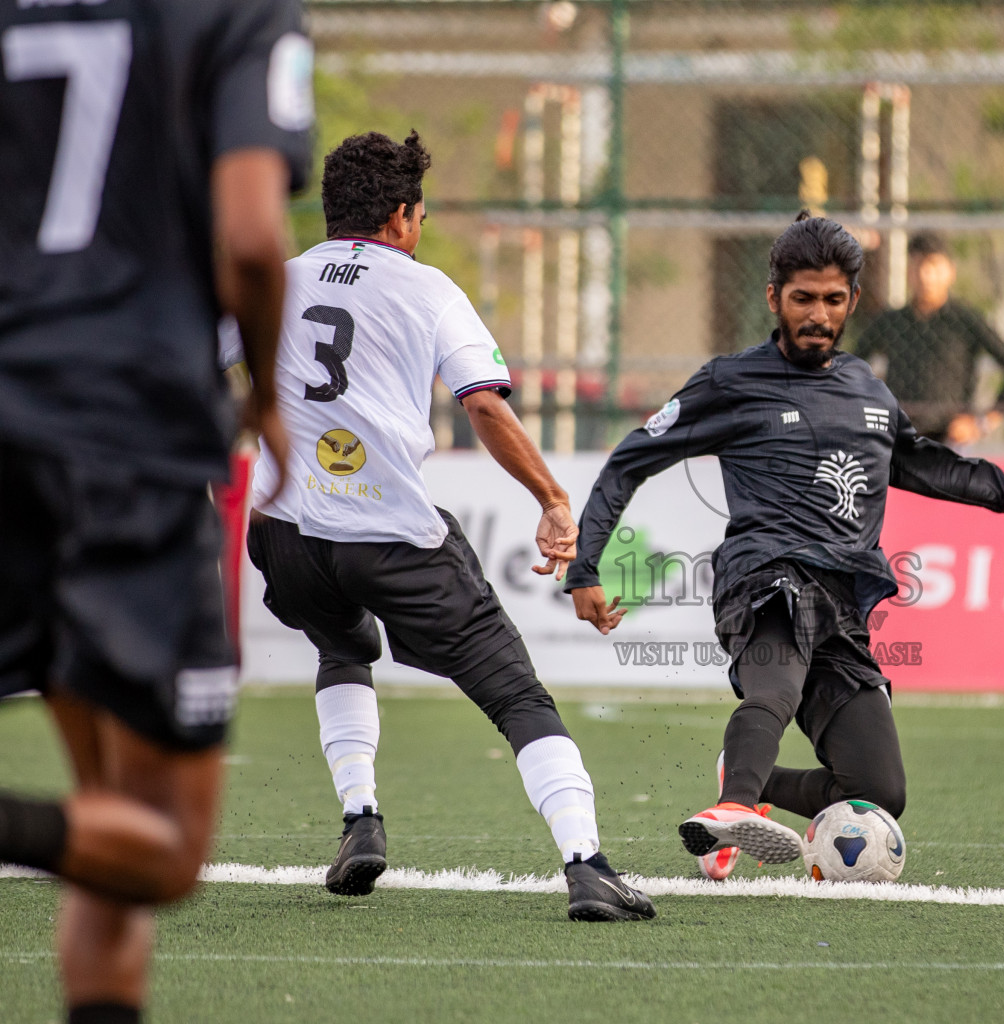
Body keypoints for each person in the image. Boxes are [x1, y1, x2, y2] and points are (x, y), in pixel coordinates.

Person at [225, 130, 654, 922]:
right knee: (518, 694)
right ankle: (587, 865)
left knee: (342, 645)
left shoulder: (272, 283)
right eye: (418, 214)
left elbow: (205, 370)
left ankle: (360, 818)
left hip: (287, 536)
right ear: (400, 216)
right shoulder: (427, 290)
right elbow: (484, 403)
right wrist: (553, 498)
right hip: (390, 538)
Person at [566, 212, 1004, 879]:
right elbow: (631, 460)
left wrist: (999, 490)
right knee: (774, 688)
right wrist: (585, 566)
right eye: (802, 299)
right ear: (774, 298)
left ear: (852, 302)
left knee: (880, 791)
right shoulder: (730, 382)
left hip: (843, 601)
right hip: (764, 578)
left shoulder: (868, 391)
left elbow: (915, 461)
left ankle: (752, 781)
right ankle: (732, 807)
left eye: (832, 300)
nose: (817, 314)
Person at [0, 1, 311, 1021]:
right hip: (126, 435)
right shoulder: (234, 12)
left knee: (106, 836)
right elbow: (255, 239)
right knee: (167, 847)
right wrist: (263, 392)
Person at [854, 233, 1004, 442]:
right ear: (908, 271)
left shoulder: (965, 320)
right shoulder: (891, 321)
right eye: (918, 265)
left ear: (950, 271)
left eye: (934, 265)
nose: (925, 275)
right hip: (899, 437)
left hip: (949, 440)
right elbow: (851, 367)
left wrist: (981, 423)